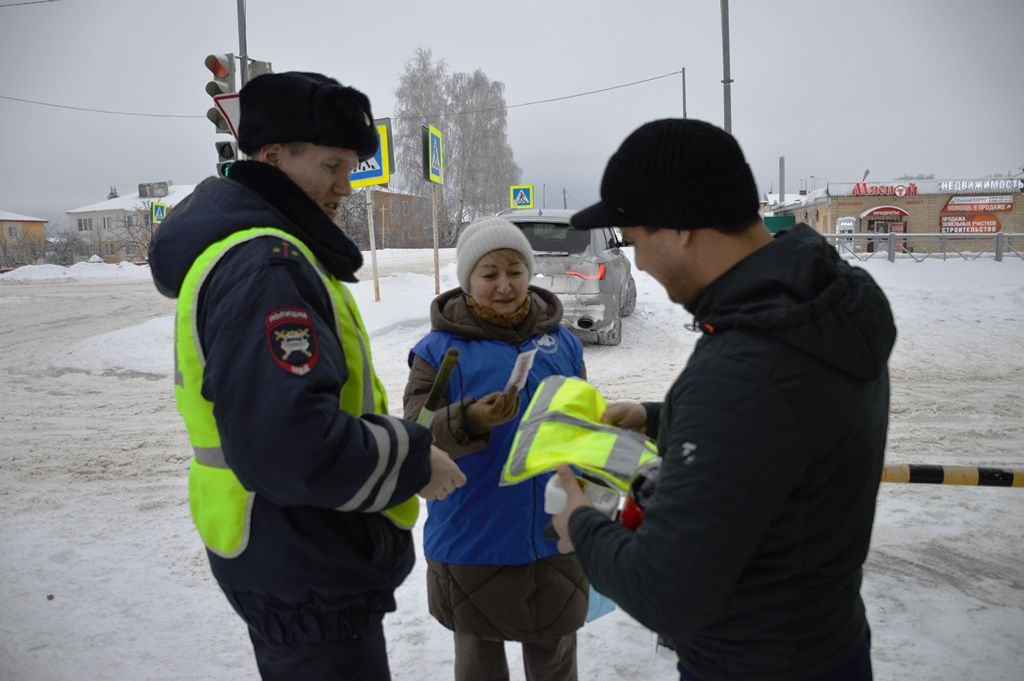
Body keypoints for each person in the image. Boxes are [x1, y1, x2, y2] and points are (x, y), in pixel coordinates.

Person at [148, 71, 465, 681]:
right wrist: (414, 460)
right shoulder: (267, 264)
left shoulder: (265, 253)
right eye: (331, 166)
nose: (345, 186)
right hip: (302, 561)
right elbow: (289, 442)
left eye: (350, 167)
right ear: (273, 156)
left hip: (292, 553)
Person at [552, 119, 895, 681]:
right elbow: (783, 431)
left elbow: (666, 591)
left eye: (636, 240)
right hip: (825, 643)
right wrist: (659, 420)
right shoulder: (816, 309)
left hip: (751, 662)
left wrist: (580, 526)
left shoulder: (749, 365)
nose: (637, 262)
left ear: (682, 228)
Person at [404, 216, 589, 681]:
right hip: (474, 534)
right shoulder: (438, 352)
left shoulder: (563, 341)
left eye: (515, 271)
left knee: (555, 658)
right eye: (489, 275)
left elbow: (581, 419)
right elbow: (416, 434)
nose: (504, 285)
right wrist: (471, 419)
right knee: (480, 661)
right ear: (468, 282)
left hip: (554, 531)